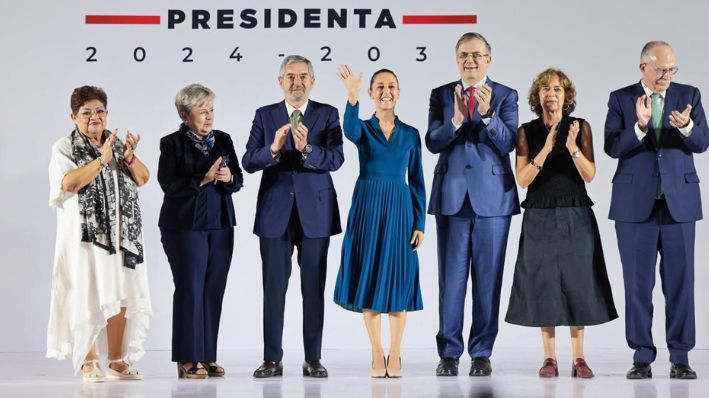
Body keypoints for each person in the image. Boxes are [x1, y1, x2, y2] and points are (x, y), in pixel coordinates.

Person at [604, 41, 708, 380]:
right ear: (643, 68)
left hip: (679, 204)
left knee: (680, 284)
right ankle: (642, 357)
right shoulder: (621, 98)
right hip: (635, 207)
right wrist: (640, 127)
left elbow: (702, 141)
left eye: (672, 69)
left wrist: (686, 128)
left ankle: (680, 357)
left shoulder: (689, 94)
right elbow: (612, 147)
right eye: (661, 69)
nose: (667, 75)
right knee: (638, 284)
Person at [504, 68, 618, 378]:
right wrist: (546, 147)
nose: (551, 94)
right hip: (539, 213)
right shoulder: (526, 131)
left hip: (575, 212)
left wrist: (571, 148)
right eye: (545, 89)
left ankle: (579, 358)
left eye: (556, 88)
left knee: (578, 281)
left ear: (565, 95)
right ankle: (549, 358)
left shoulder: (580, 127)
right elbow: (523, 178)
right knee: (544, 283)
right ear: (537, 96)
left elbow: (590, 175)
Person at [243, 55, 344, 378]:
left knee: (313, 288)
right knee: (273, 289)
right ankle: (272, 358)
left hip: (316, 213)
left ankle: (313, 358)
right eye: (290, 77)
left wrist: (308, 151)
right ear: (280, 82)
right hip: (275, 213)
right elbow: (248, 160)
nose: (297, 82)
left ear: (312, 81)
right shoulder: (265, 115)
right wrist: (272, 149)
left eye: (303, 76)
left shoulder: (327, 114)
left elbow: (336, 158)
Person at [426, 32, 520, 377]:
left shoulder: (506, 95)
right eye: (464, 55)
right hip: (452, 197)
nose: (470, 61)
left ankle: (481, 352)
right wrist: (454, 120)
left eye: (477, 55)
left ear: (488, 60)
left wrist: (486, 114)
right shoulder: (441, 94)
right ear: (456, 60)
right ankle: (449, 352)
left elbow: (509, 142)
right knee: (450, 282)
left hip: (493, 200)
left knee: (488, 280)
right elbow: (432, 142)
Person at [47, 85, 151, 382]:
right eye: (87, 113)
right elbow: (68, 184)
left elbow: (143, 179)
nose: (95, 117)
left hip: (121, 236)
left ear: (107, 113)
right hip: (85, 239)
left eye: (100, 111)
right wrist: (102, 160)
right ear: (74, 117)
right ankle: (89, 360)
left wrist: (128, 156)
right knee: (87, 292)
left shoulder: (116, 146)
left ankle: (116, 360)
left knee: (120, 293)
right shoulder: (64, 148)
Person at [333, 65, 426, 378]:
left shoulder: (411, 134)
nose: (386, 91)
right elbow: (348, 129)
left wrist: (420, 222)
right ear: (372, 93)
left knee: (399, 278)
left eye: (392, 86)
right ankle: (376, 351)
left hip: (400, 209)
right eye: (380, 87)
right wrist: (352, 94)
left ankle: (396, 352)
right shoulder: (364, 129)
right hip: (368, 207)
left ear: (399, 93)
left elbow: (417, 182)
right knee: (370, 275)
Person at [158, 84, 243, 379]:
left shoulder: (224, 139)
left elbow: (238, 180)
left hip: (220, 224)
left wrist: (230, 176)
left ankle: (206, 356)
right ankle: (186, 358)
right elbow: (168, 184)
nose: (209, 117)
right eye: (202, 111)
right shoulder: (170, 144)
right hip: (184, 227)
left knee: (212, 290)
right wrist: (203, 178)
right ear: (185, 115)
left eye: (211, 110)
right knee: (190, 289)